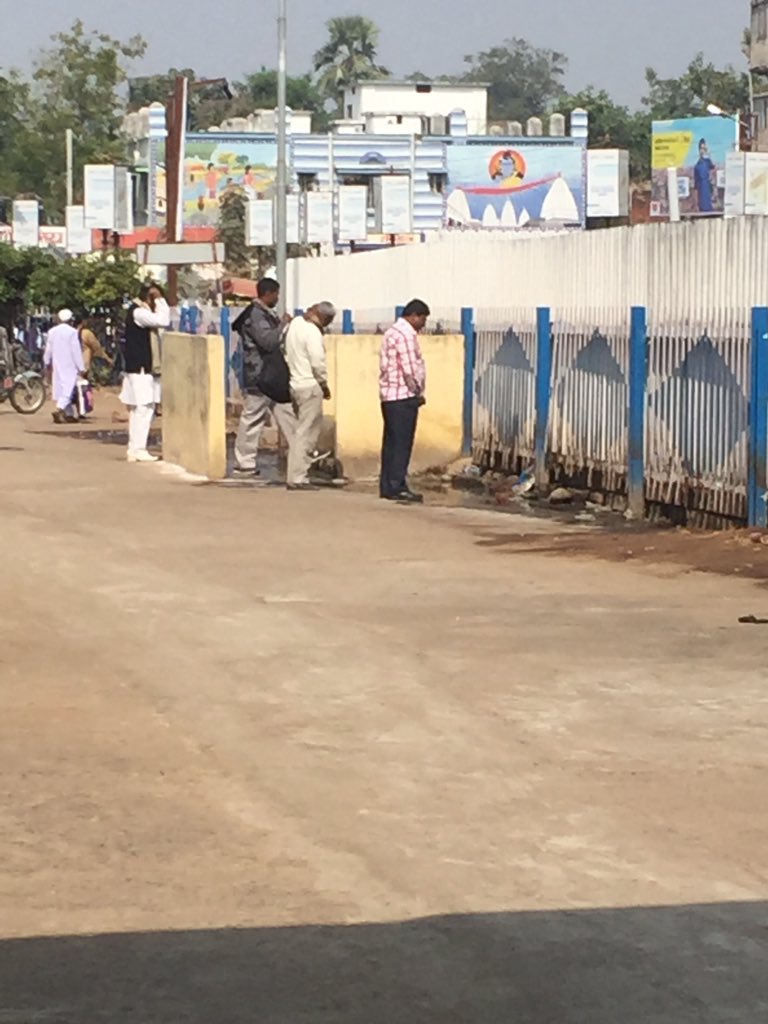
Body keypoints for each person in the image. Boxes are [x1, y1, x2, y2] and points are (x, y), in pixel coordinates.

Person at [232, 278, 296, 478]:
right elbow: (268, 342)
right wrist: (283, 325)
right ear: (268, 293)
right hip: (260, 376)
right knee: (252, 419)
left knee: (288, 416)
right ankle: (244, 462)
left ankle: (300, 457)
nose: (277, 298)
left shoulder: (264, 314)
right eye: (276, 294)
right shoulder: (256, 316)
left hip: (273, 376)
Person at [378, 299, 430, 503]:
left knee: (390, 443)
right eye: (423, 319)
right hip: (403, 395)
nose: (424, 324)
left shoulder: (391, 332)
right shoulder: (406, 335)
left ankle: (388, 484)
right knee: (401, 443)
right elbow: (410, 368)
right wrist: (418, 390)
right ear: (414, 316)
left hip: (388, 395)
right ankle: (397, 485)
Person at [284, 302, 336, 491]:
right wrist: (324, 385)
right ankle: (298, 477)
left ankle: (295, 474)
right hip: (310, 385)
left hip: (295, 383)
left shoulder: (295, 325)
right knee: (306, 434)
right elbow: (318, 363)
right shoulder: (313, 332)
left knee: (300, 431)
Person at [120, 283, 170, 463]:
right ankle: (138, 448)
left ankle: (135, 448)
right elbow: (163, 320)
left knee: (140, 409)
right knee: (144, 408)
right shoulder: (139, 313)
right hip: (141, 368)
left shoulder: (138, 311)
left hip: (139, 368)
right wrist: (161, 300)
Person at [43, 309, 85, 424]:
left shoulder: (52, 331)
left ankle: (69, 414)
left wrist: (46, 361)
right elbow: (76, 351)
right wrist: (81, 367)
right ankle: (60, 409)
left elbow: (48, 349)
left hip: (57, 364)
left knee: (61, 388)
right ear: (71, 320)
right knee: (68, 388)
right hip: (69, 364)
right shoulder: (72, 332)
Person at [694, 139, 716, 214]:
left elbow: (713, 166)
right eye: (701, 149)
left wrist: (708, 154)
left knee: (708, 206)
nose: (702, 151)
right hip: (701, 187)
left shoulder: (707, 161)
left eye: (704, 148)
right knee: (702, 206)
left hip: (707, 186)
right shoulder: (698, 164)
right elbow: (696, 185)